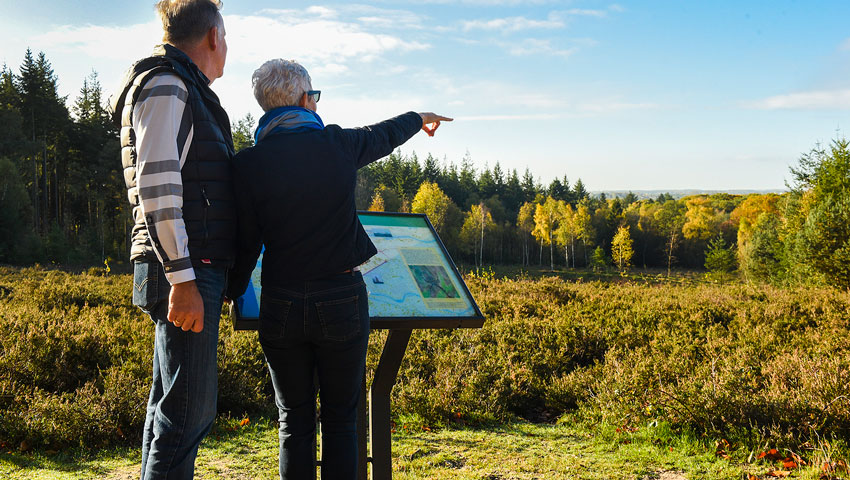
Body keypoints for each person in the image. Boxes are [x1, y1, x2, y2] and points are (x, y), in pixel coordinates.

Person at [225, 58, 451, 479]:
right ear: (304, 99)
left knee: (294, 422)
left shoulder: (248, 165)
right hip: (341, 299)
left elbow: (246, 241)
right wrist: (419, 119)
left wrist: (232, 291)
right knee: (343, 421)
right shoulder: (336, 145)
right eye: (315, 94)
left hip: (280, 302)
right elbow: (383, 135)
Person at [108, 1, 235, 478]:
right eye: (226, 35)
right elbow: (158, 186)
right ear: (212, 37)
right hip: (183, 268)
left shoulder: (177, 85)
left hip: (186, 265)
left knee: (169, 408)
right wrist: (182, 277)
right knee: (188, 414)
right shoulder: (167, 84)